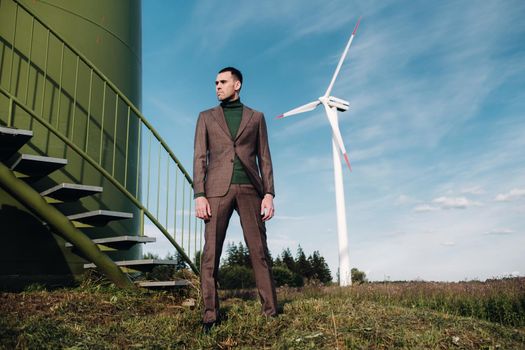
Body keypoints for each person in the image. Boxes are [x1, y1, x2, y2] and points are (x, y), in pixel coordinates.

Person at [193, 67, 278, 332]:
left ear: (237, 85)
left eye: (223, 82)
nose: (217, 86)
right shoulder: (206, 117)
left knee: (259, 252)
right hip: (216, 191)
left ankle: (271, 312)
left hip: (251, 190)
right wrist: (199, 195)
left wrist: (269, 193)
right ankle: (210, 315)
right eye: (215, 82)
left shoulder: (256, 118)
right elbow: (199, 158)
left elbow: (264, 157)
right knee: (210, 255)